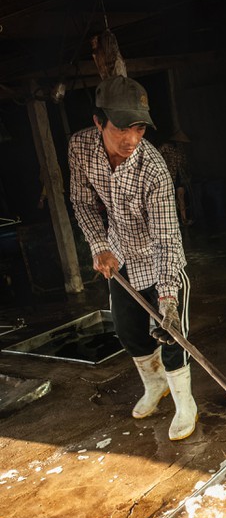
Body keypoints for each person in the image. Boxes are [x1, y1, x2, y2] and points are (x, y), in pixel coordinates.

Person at [68, 74, 197, 441]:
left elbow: (168, 238)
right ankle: (155, 386)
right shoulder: (80, 148)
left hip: (160, 262)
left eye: (139, 128)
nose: (132, 139)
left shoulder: (152, 168)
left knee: (171, 337)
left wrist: (168, 300)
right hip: (119, 255)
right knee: (128, 333)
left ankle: (185, 403)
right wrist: (98, 245)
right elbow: (82, 202)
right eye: (122, 127)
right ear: (98, 122)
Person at [158, 128, 194, 226]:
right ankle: (172, 221)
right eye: (179, 142)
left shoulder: (181, 151)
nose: (181, 144)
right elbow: (157, 155)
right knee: (170, 199)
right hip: (168, 177)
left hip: (179, 177)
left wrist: (187, 175)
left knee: (181, 197)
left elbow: (184, 164)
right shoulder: (166, 147)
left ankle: (184, 219)